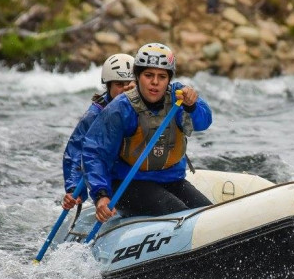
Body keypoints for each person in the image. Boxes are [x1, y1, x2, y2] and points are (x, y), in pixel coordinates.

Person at [83, 43, 213, 222]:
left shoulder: (179, 98)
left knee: (208, 215)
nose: (155, 82)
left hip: (171, 181)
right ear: (137, 77)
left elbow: (204, 122)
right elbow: (95, 152)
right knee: (181, 216)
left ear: (169, 79)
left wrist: (193, 105)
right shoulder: (121, 108)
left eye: (162, 76)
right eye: (148, 75)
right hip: (128, 185)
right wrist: (101, 194)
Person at [61, 53, 136, 210]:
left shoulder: (144, 105)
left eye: (130, 83)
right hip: (112, 177)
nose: (125, 89)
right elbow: (76, 151)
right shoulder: (96, 114)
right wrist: (75, 189)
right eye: (119, 84)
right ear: (108, 86)